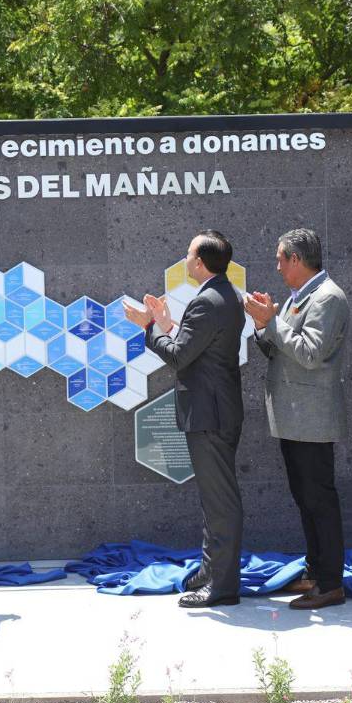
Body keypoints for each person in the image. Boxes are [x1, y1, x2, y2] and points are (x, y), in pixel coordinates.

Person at [124, 230, 246, 608]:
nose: (185, 258)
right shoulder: (223, 295)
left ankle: (223, 585)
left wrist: (147, 327)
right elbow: (194, 348)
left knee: (220, 502)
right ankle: (212, 570)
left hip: (209, 412)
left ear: (200, 262)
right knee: (214, 500)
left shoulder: (206, 302)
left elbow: (179, 356)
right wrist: (164, 321)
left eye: (189, 254)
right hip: (218, 408)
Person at [244, 229, 349, 610]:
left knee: (319, 499)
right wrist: (261, 325)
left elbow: (309, 353)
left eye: (279, 258)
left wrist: (271, 321)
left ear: (296, 260)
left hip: (313, 417)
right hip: (295, 416)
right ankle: (316, 571)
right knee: (306, 498)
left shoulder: (328, 297)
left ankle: (331, 583)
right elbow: (279, 351)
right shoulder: (300, 297)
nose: (276, 266)